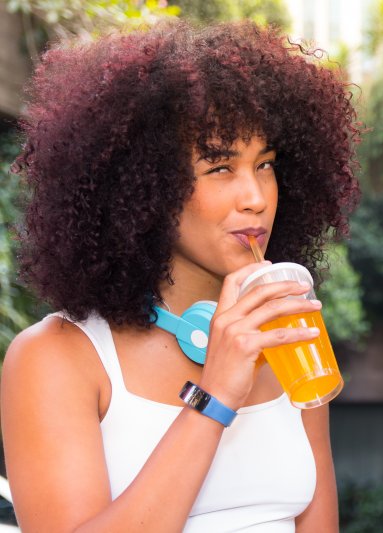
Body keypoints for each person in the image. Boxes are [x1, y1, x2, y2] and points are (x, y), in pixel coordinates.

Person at [1, 19, 360, 532]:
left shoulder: (288, 337)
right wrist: (214, 397)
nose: (256, 197)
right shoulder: (58, 357)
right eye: (220, 168)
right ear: (145, 186)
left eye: (266, 164)